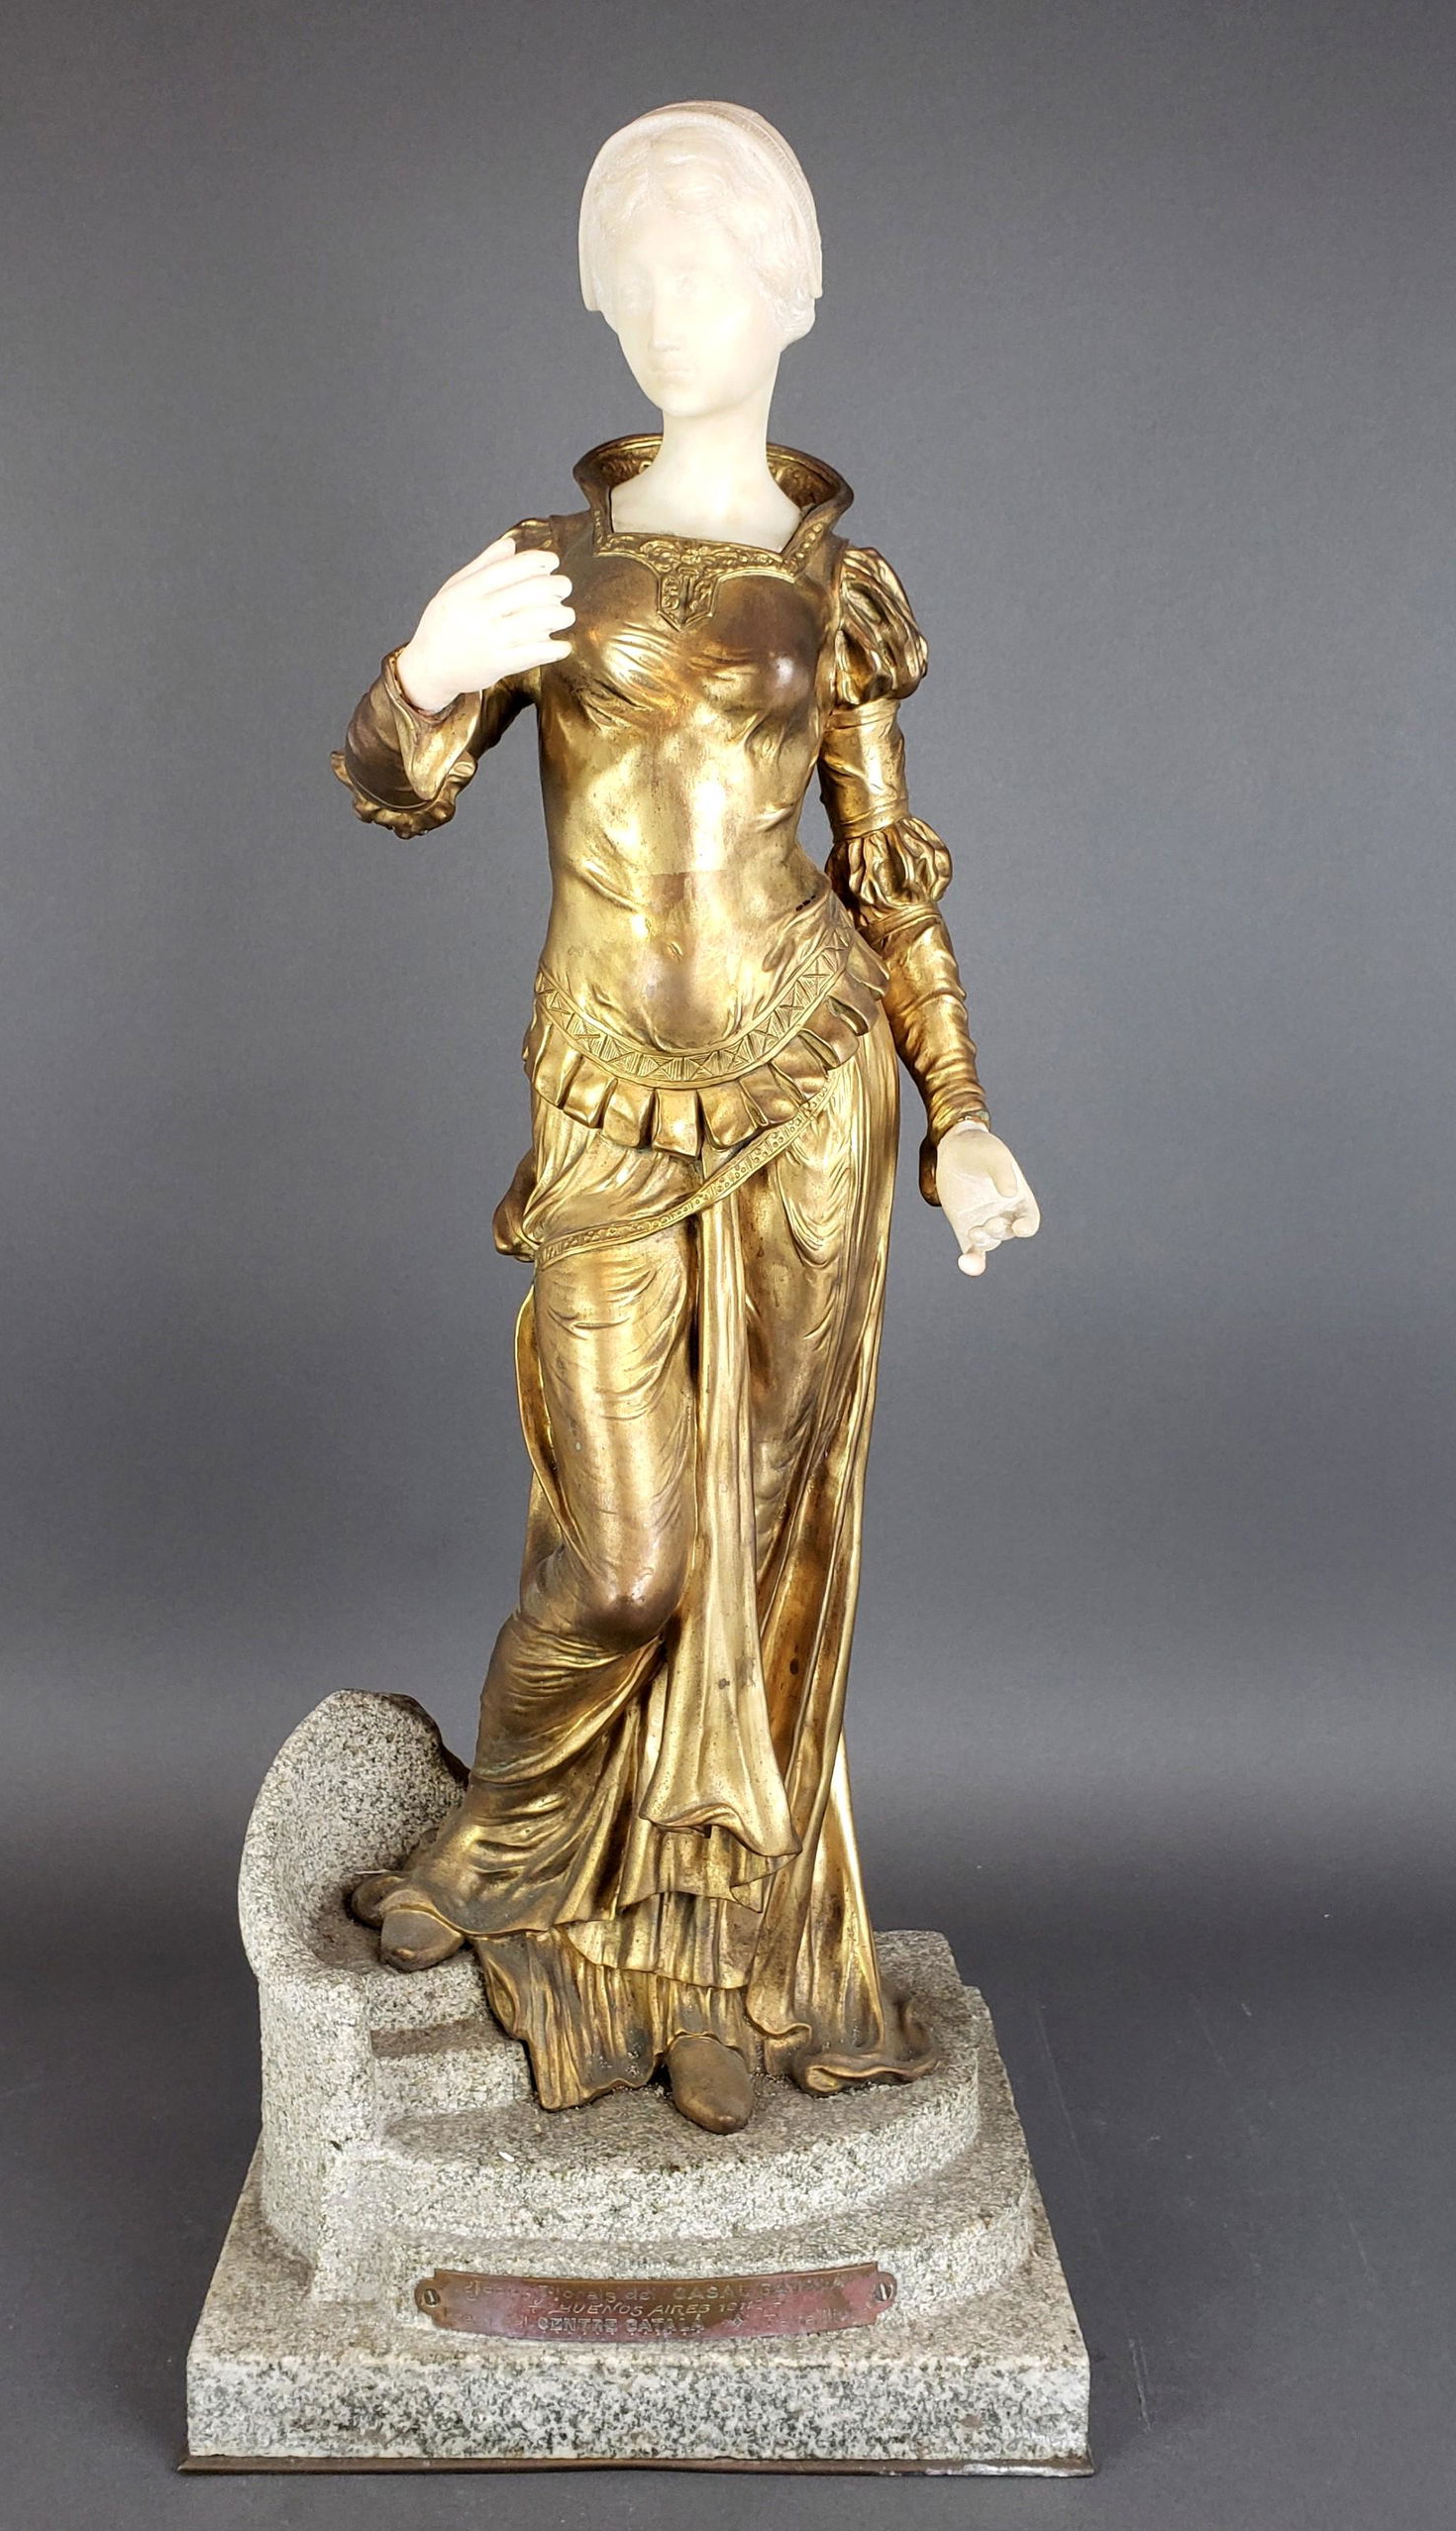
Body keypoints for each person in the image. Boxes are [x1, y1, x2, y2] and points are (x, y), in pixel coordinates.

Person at [332, 102, 1039, 2134]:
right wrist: (421, 673)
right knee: (626, 1557)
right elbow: (393, 791)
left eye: (715, 258)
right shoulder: (549, 570)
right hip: (608, 1101)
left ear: (796, 291)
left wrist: (960, 1111)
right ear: (596, 296)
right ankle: (502, 1846)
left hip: (808, 1084)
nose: (674, 297)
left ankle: (714, 1950)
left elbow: (884, 864)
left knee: (760, 1546)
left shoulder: (837, 585)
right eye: (635, 263)